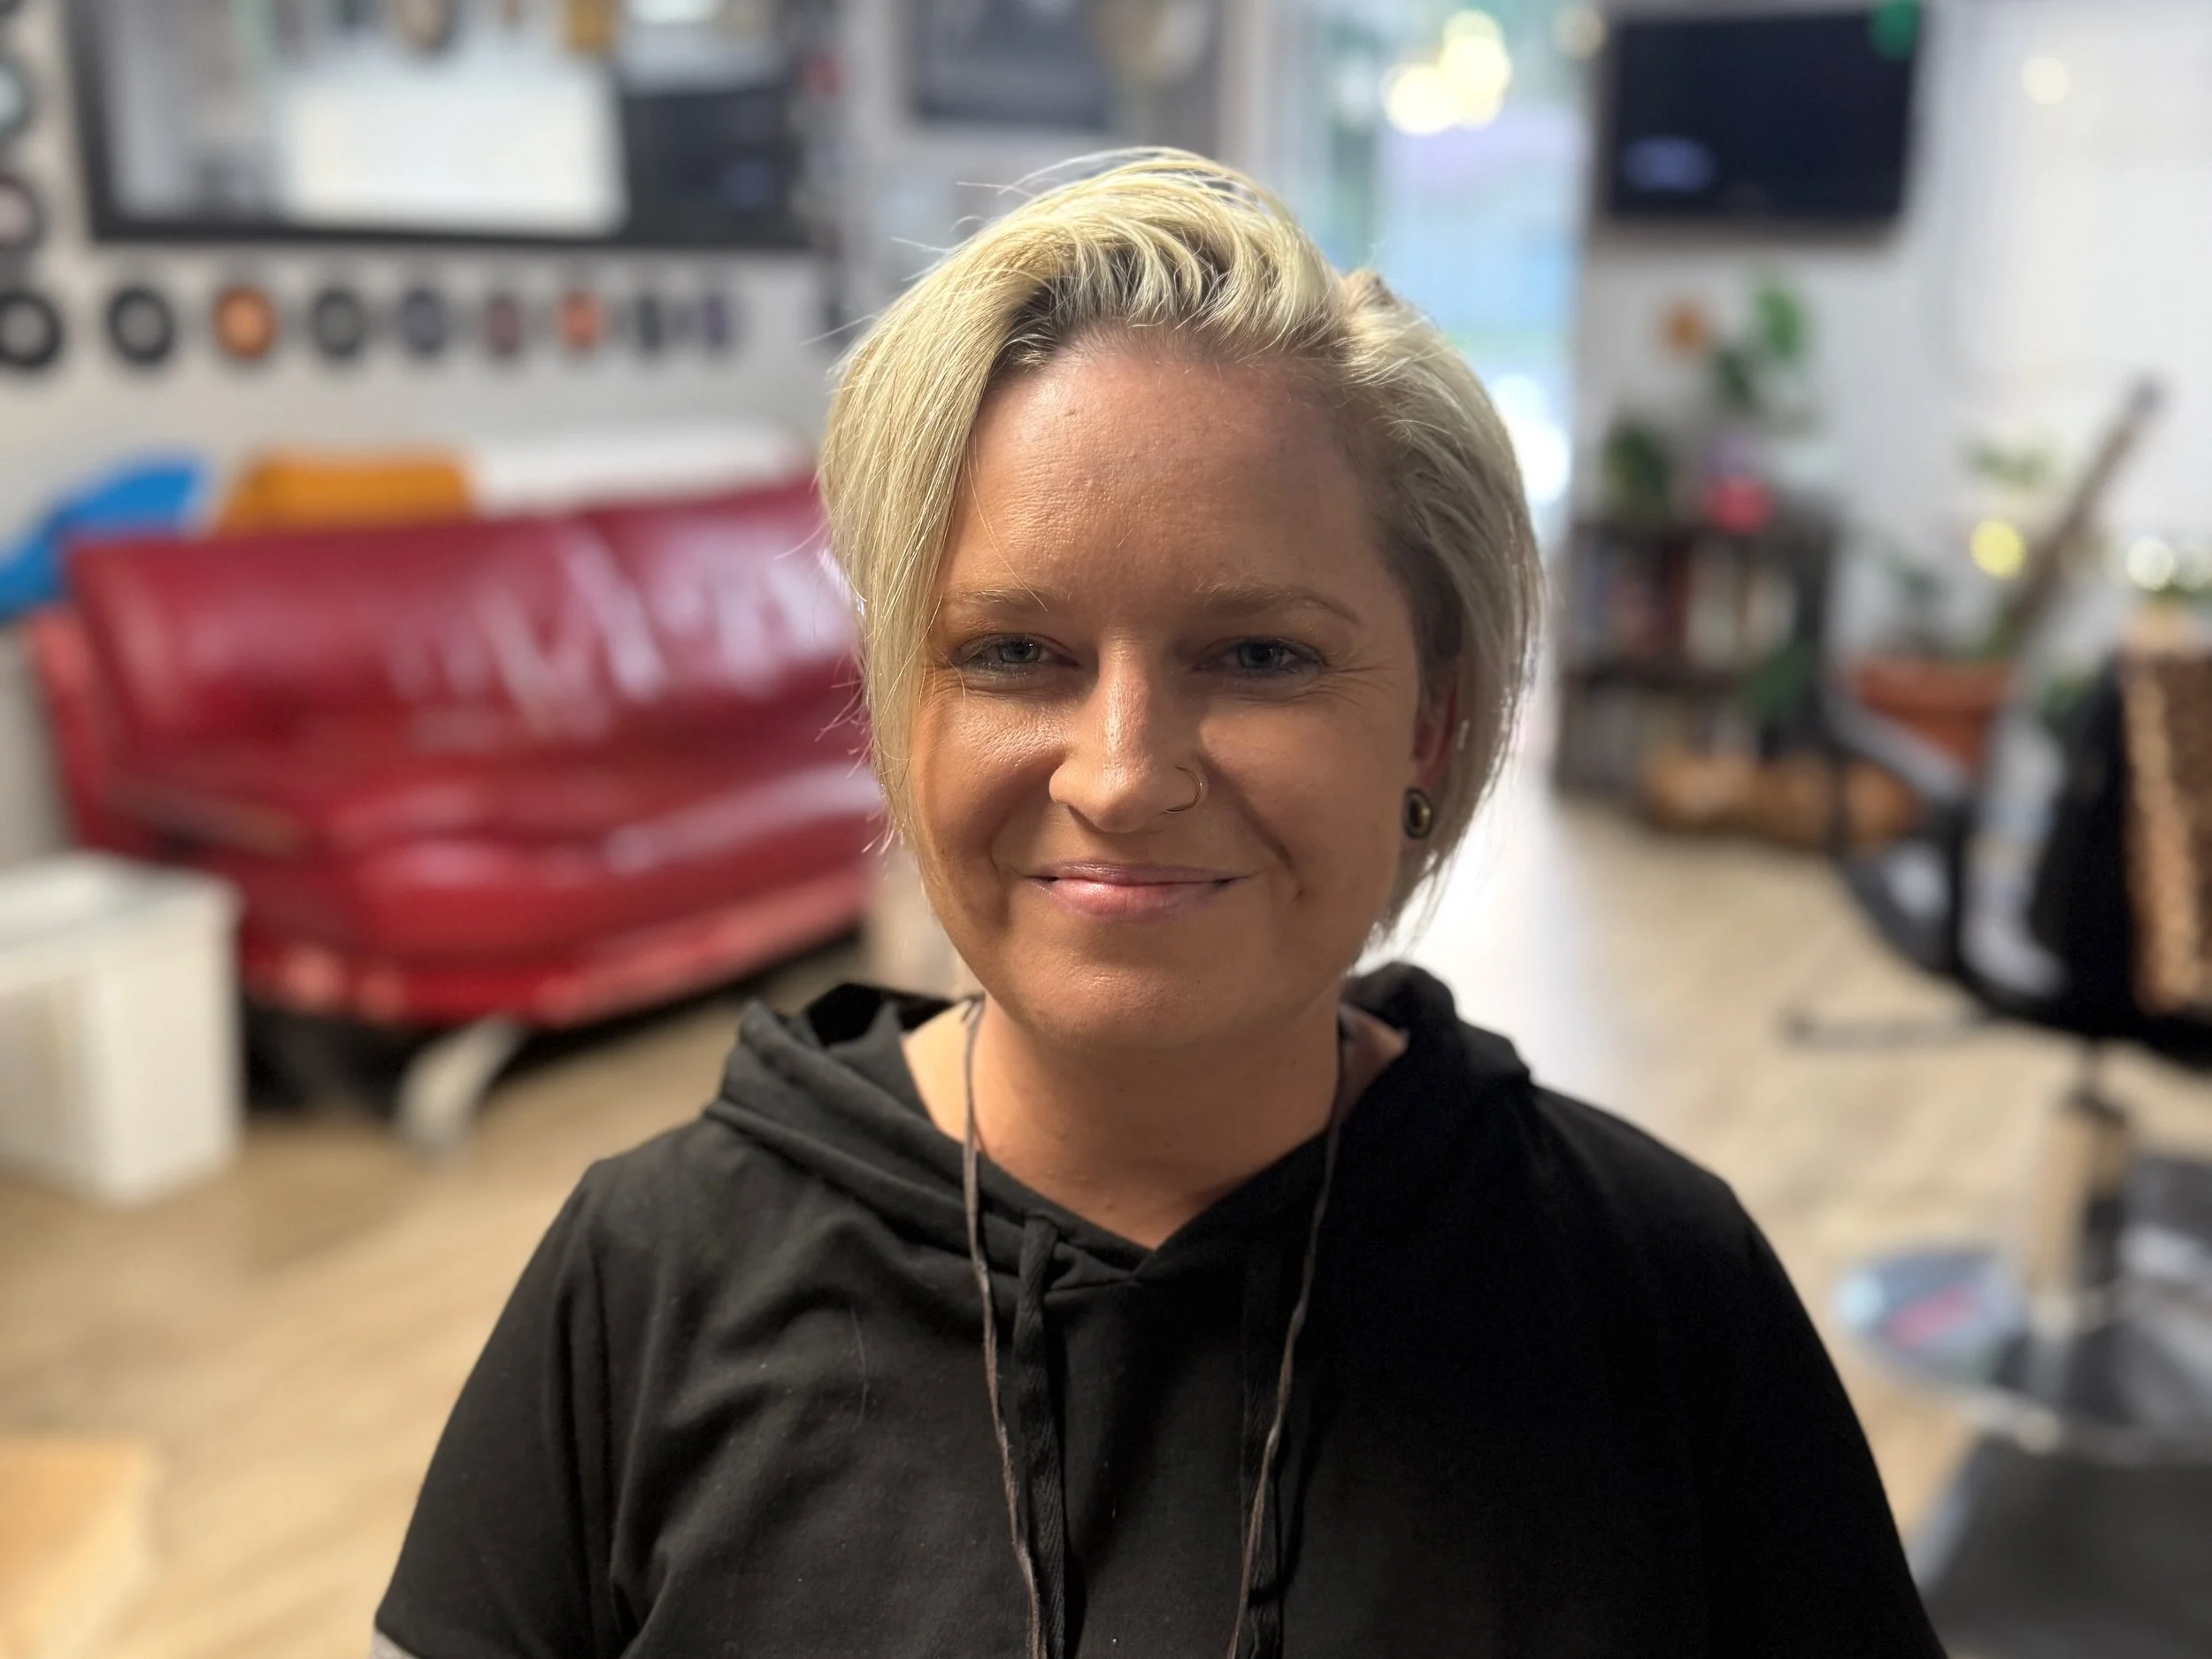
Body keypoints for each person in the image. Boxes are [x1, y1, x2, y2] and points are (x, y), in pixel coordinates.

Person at [373, 152, 1943, 1659]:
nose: (1122, 776)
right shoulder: (646, 1281)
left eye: (1258, 654)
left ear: (1430, 724)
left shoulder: (1658, 1295)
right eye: (1010, 651)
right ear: (900, 703)